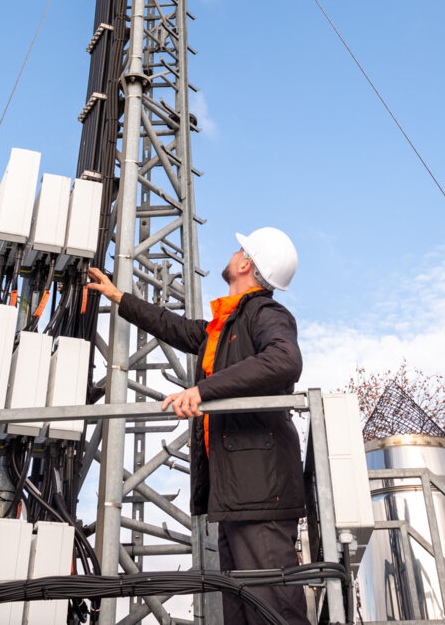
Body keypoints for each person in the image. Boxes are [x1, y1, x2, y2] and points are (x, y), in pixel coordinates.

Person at [87, 227, 308, 625]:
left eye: (240, 250)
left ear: (247, 264)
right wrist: (119, 297)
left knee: (273, 611)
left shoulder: (266, 314)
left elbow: (285, 360)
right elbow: (176, 327)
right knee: (243, 614)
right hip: (239, 497)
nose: (234, 253)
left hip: (261, 497)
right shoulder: (224, 328)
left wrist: (203, 390)